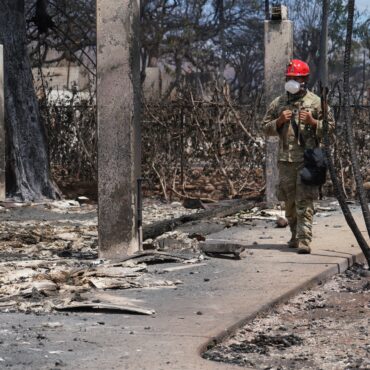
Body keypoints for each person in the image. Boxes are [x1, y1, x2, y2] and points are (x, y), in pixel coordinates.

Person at [263, 59, 335, 254]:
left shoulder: (317, 102)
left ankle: (304, 239)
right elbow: (265, 127)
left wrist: (313, 122)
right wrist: (279, 121)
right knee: (290, 201)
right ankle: (294, 236)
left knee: (304, 201)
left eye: (295, 78)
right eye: (289, 78)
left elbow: (331, 129)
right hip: (286, 160)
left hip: (308, 159)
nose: (291, 82)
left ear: (304, 80)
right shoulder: (278, 102)